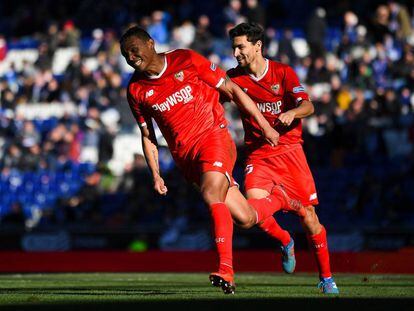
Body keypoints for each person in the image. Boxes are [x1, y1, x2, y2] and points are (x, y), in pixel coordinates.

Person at [120, 26, 304, 294]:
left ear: (150, 43)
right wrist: (156, 173)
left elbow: (232, 89)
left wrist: (264, 125)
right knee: (245, 218)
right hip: (187, 158)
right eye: (126, 54)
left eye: (134, 49)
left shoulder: (185, 59)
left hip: (214, 139)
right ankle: (282, 212)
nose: (131, 57)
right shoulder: (136, 90)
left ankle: (226, 270)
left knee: (211, 195)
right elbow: (147, 135)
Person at [227, 22, 339, 294]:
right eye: (233, 47)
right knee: (252, 208)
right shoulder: (234, 78)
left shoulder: (283, 72)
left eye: (240, 46)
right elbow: (212, 98)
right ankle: (285, 240)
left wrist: (293, 113)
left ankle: (326, 278)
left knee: (310, 218)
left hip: (290, 153)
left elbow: (308, 105)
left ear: (257, 46)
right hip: (259, 153)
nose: (236, 53)